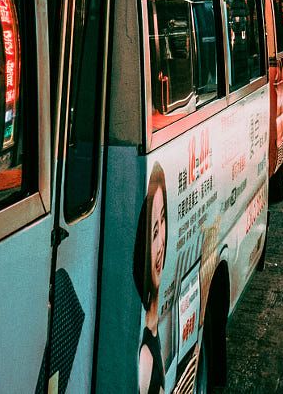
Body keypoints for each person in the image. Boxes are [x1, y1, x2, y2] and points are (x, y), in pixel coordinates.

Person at [134, 162, 168, 394]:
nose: (159, 246)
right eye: (153, 232)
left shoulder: (153, 329)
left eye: (163, 221)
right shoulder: (144, 354)